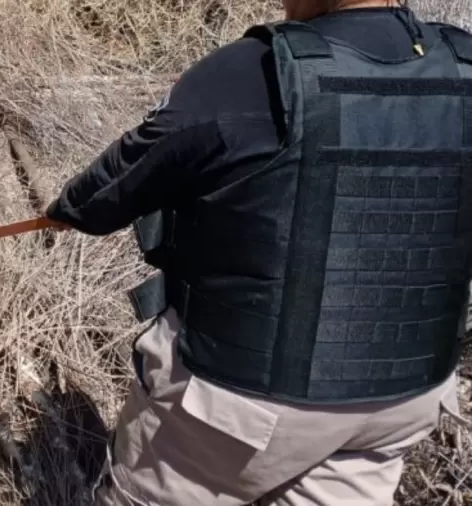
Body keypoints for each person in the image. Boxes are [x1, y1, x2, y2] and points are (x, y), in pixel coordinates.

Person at [45, 0, 472, 504]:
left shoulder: (255, 71)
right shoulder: (461, 65)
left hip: (243, 402)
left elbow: (107, 193)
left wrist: (65, 209)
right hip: (404, 402)